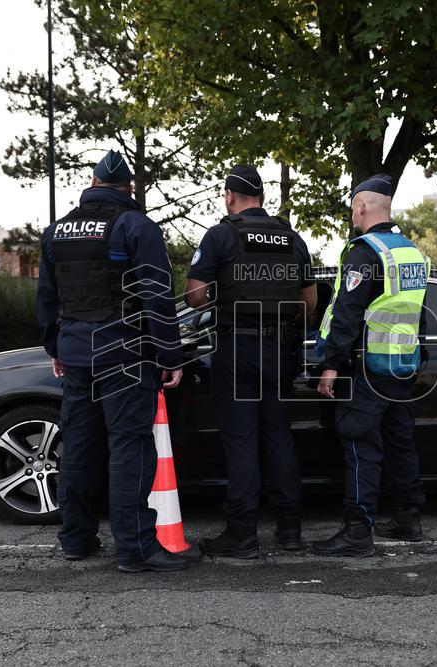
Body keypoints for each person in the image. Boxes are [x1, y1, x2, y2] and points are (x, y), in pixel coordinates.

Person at [37, 149, 192, 573]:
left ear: (92, 183)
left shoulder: (57, 232)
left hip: (76, 355)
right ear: (128, 189)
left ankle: (76, 538)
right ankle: (135, 548)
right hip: (124, 355)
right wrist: (170, 355)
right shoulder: (135, 226)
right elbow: (156, 296)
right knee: (129, 448)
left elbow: (47, 299)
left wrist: (55, 349)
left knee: (79, 449)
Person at [184, 165, 317, 557]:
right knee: (279, 437)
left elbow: (194, 296)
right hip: (279, 350)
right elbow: (309, 303)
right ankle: (290, 529)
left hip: (237, 349)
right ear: (261, 197)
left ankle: (242, 533)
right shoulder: (291, 238)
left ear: (229, 196)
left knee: (241, 441)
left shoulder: (221, 235)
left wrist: (223, 297)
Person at [312, 174, 430, 556]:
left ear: (361, 206)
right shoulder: (411, 251)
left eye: (352, 207)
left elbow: (347, 312)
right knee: (401, 443)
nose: (353, 213)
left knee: (361, 444)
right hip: (401, 365)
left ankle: (358, 531)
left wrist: (331, 363)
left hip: (365, 368)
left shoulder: (364, 252)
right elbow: (418, 311)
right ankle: (408, 518)